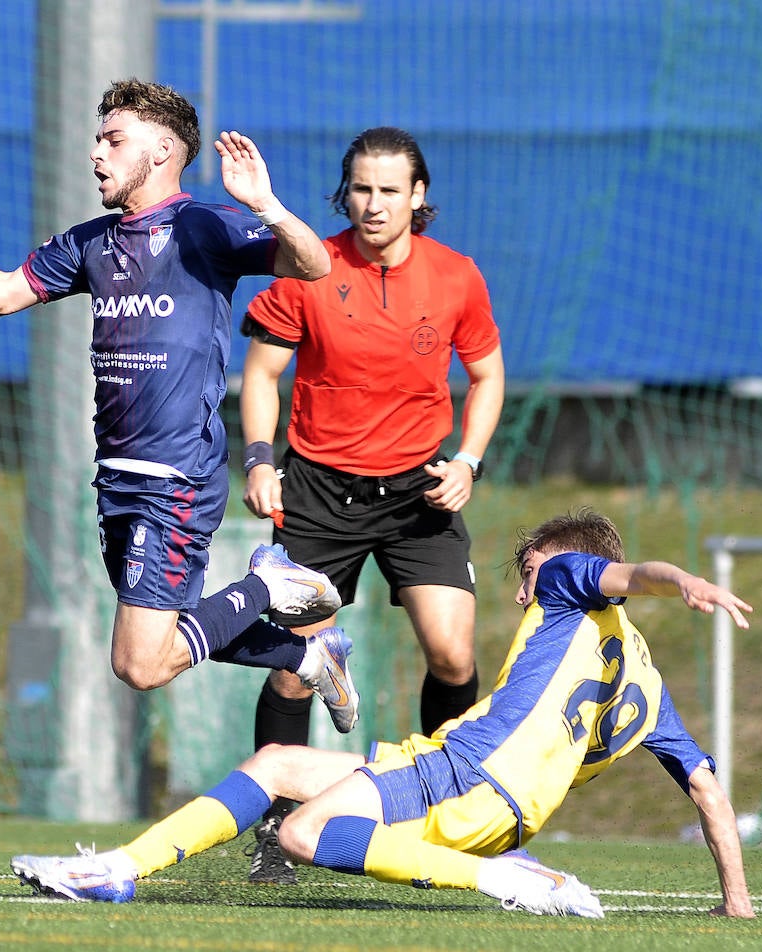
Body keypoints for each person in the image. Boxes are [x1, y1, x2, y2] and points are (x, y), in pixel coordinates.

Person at [0, 79, 359, 725]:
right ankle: (313, 658)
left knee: (139, 663)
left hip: (176, 475)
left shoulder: (202, 225)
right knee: (167, 635)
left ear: (161, 151)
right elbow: (5, 295)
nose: (97, 153)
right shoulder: (91, 242)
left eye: (113, 140)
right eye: (97, 139)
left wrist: (267, 205)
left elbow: (313, 264)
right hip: (116, 478)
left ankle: (270, 583)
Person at [11, 508, 757, 920]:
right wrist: (739, 906)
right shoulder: (647, 685)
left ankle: (506, 881)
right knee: (275, 767)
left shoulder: (570, 581)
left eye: (527, 575)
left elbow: (635, 575)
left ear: (563, 568)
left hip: (469, 773)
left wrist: (680, 579)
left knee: (304, 833)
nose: (523, 593)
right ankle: (118, 868)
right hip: (491, 796)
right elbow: (710, 794)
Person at [237, 126, 505, 881]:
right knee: (297, 668)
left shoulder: (457, 276)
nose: (374, 203)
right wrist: (260, 463)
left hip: (419, 489)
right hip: (319, 492)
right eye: (361, 188)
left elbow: (487, 377)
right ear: (343, 193)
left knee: (453, 654)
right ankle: (276, 829)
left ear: (418, 197)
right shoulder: (305, 268)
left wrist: (469, 464)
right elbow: (260, 377)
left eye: (390, 190)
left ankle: (446, 816)